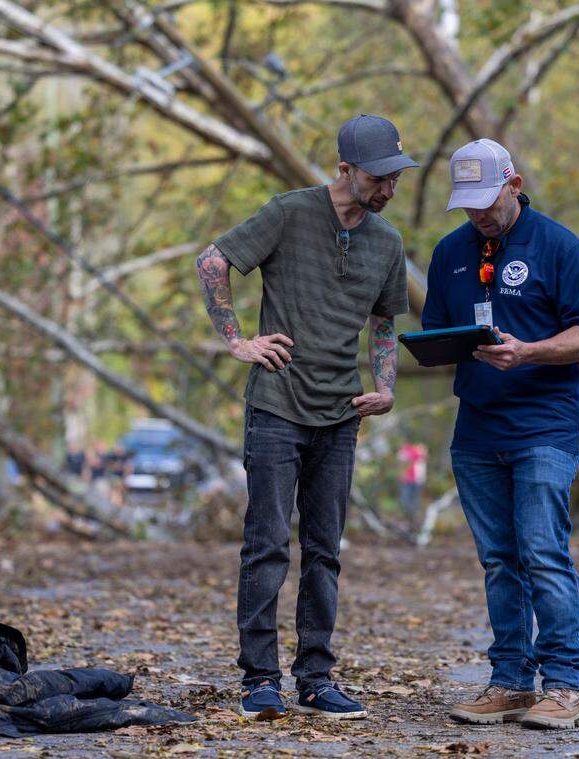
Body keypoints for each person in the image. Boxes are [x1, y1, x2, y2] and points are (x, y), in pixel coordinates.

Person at [195, 114, 417, 721]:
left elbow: (383, 324)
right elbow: (212, 262)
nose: (389, 189)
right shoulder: (289, 212)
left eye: (396, 176)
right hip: (277, 407)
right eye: (379, 177)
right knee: (266, 544)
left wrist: (385, 388)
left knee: (325, 548)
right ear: (345, 170)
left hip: (340, 414)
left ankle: (316, 678)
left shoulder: (387, 241)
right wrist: (239, 341)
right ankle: (259, 680)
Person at [421, 139, 579, 729]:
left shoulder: (560, 246)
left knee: (542, 553)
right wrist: (440, 349)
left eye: (487, 199)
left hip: (544, 426)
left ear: (514, 184)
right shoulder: (450, 252)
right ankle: (510, 683)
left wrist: (528, 354)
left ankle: (565, 687)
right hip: (476, 430)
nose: (478, 213)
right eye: (466, 203)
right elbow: (437, 333)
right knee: (500, 561)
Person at [397, 442, 428, 530]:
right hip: (407, 480)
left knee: (414, 500)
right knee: (406, 500)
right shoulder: (409, 452)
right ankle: (409, 518)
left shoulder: (419, 455)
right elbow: (401, 461)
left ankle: (414, 520)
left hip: (417, 480)